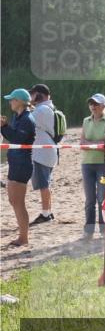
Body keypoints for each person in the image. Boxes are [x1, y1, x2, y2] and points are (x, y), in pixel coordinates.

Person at [2, 88, 35, 247]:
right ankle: (22, 235)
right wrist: (5, 125)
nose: (10, 102)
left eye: (12, 99)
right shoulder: (18, 116)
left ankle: (24, 237)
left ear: (20, 101)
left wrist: (4, 127)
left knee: (18, 202)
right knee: (13, 200)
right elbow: (13, 136)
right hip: (15, 162)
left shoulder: (27, 119)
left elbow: (17, 138)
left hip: (22, 163)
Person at [80, 93, 105, 239]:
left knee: (102, 198)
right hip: (87, 164)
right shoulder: (86, 121)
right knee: (89, 199)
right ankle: (88, 231)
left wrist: (92, 144)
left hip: (102, 164)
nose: (93, 106)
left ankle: (104, 230)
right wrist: (96, 144)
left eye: (96, 104)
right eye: (91, 104)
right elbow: (82, 143)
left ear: (103, 106)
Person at [27, 84, 58, 226]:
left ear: (39, 94)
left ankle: (46, 214)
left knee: (44, 184)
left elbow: (26, 121)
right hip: (47, 150)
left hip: (42, 152)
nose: (31, 97)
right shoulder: (47, 108)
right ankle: (48, 212)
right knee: (46, 183)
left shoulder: (42, 109)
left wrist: (25, 105)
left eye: (32, 94)